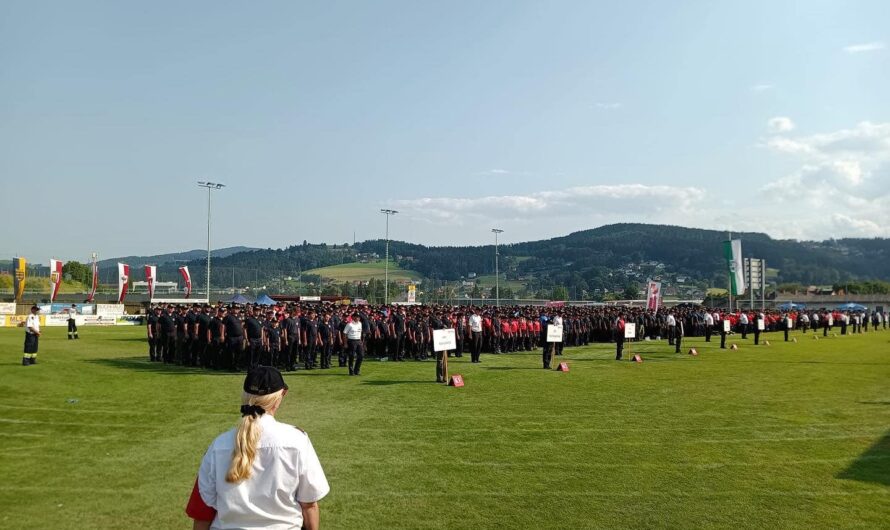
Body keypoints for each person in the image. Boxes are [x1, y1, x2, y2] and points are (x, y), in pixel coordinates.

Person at [186, 366, 329, 530]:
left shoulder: (218, 445)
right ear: (281, 395)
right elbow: (309, 505)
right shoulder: (297, 441)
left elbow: (202, 511)